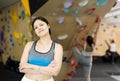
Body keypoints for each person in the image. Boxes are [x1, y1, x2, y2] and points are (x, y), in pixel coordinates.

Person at [19, 16, 63, 81]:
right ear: (35, 32)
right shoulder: (29, 45)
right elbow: (21, 68)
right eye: (36, 28)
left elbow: (55, 72)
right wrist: (47, 69)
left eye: (41, 25)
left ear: (48, 26)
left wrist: (31, 66)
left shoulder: (57, 47)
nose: (39, 28)